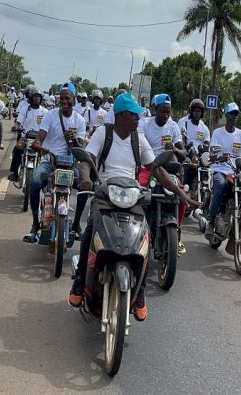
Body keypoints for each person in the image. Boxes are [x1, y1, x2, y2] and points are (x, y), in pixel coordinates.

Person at [70, 92, 198, 321]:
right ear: (120, 116)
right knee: (91, 229)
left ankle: (139, 296)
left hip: (132, 194)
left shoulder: (139, 139)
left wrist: (181, 194)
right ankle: (80, 282)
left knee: (144, 237)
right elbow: (86, 161)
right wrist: (85, 178)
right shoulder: (103, 133)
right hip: (105, 192)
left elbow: (156, 169)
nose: (138, 119)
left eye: (139, 115)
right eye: (133, 115)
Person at [24, 82, 88, 243]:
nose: (64, 101)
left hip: (70, 164)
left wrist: (72, 140)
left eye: (68, 98)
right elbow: (40, 138)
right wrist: (38, 146)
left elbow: (81, 147)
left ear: (74, 99)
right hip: (49, 161)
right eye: (62, 98)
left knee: (86, 187)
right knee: (35, 182)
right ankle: (35, 224)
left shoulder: (79, 120)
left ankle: (76, 225)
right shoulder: (50, 115)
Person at [137, 93, 189, 254]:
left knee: (181, 197)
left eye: (168, 111)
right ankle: (139, 233)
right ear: (154, 109)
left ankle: (176, 234)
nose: (166, 115)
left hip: (168, 169)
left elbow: (183, 153)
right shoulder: (144, 124)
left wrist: (174, 149)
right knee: (140, 195)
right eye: (162, 111)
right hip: (148, 168)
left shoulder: (173, 126)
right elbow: (138, 146)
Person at [206, 103, 241, 238]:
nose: (234, 116)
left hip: (235, 171)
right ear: (226, 115)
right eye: (232, 113)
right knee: (220, 185)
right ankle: (212, 220)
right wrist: (219, 156)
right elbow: (212, 153)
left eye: (236, 114)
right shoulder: (218, 133)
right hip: (220, 169)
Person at [7, 87, 47, 182]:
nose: (37, 98)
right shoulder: (25, 110)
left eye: (38, 97)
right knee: (17, 149)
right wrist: (16, 126)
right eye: (35, 96)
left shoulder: (45, 111)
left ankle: (46, 179)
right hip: (26, 137)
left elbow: (49, 125)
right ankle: (14, 173)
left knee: (47, 155)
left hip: (39, 139)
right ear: (30, 98)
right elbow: (19, 121)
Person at [177, 99, 211, 192]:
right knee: (185, 169)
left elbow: (207, 143)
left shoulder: (204, 128)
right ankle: (184, 189)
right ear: (191, 112)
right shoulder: (183, 123)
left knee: (209, 170)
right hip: (186, 154)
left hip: (199, 156)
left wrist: (205, 149)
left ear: (202, 113)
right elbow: (178, 139)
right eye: (195, 111)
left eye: (199, 111)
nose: (197, 113)